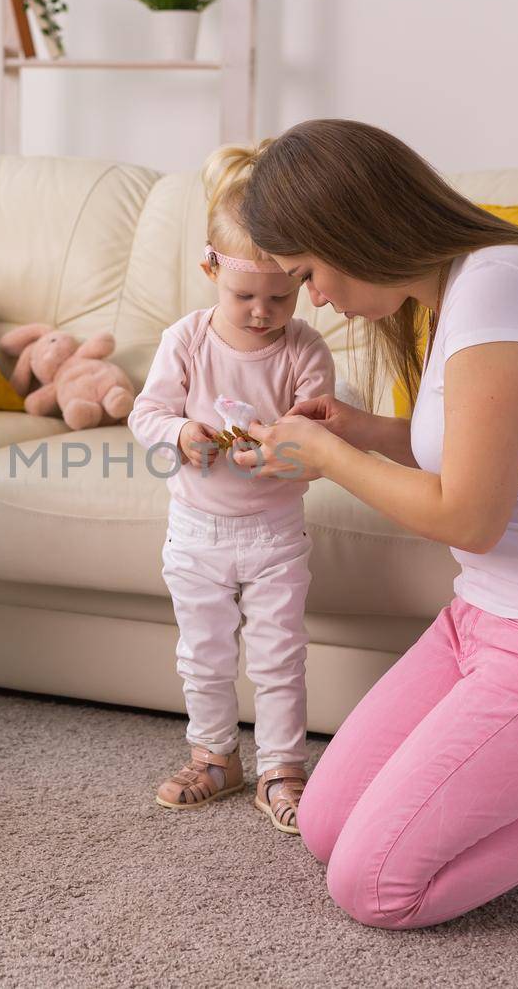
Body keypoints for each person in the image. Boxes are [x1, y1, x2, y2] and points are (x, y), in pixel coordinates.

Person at [232, 119, 518, 926]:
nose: (317, 298)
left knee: (374, 888)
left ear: (354, 227)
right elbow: (490, 450)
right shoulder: (462, 288)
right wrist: (361, 430)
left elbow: (471, 515)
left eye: (308, 273)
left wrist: (327, 459)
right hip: (482, 622)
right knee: (326, 825)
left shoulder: (500, 287)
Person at [128, 141, 337, 834]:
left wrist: (280, 454)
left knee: (281, 654)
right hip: (196, 531)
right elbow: (145, 414)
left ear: (302, 284)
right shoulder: (186, 341)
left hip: (274, 534)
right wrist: (181, 433)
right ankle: (215, 755)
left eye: (280, 296)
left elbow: (318, 444)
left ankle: (282, 765)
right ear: (209, 268)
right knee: (203, 652)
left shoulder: (305, 351)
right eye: (244, 295)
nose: (260, 311)